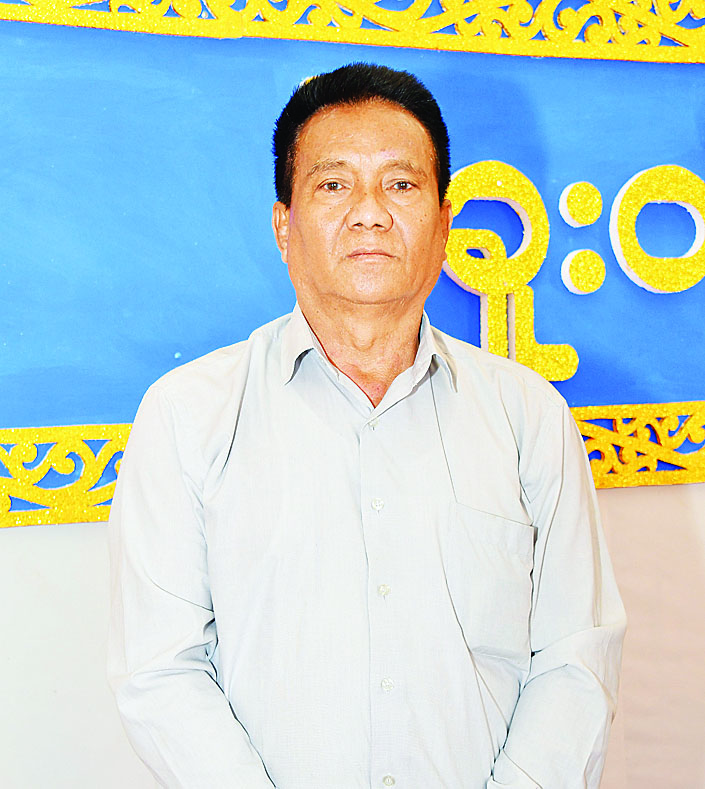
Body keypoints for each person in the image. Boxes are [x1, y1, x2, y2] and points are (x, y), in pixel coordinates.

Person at [108, 63, 626, 788]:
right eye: (333, 184)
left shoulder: (529, 415)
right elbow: (163, 671)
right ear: (283, 226)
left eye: (401, 184)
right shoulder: (187, 414)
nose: (370, 213)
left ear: (445, 224)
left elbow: (575, 658)